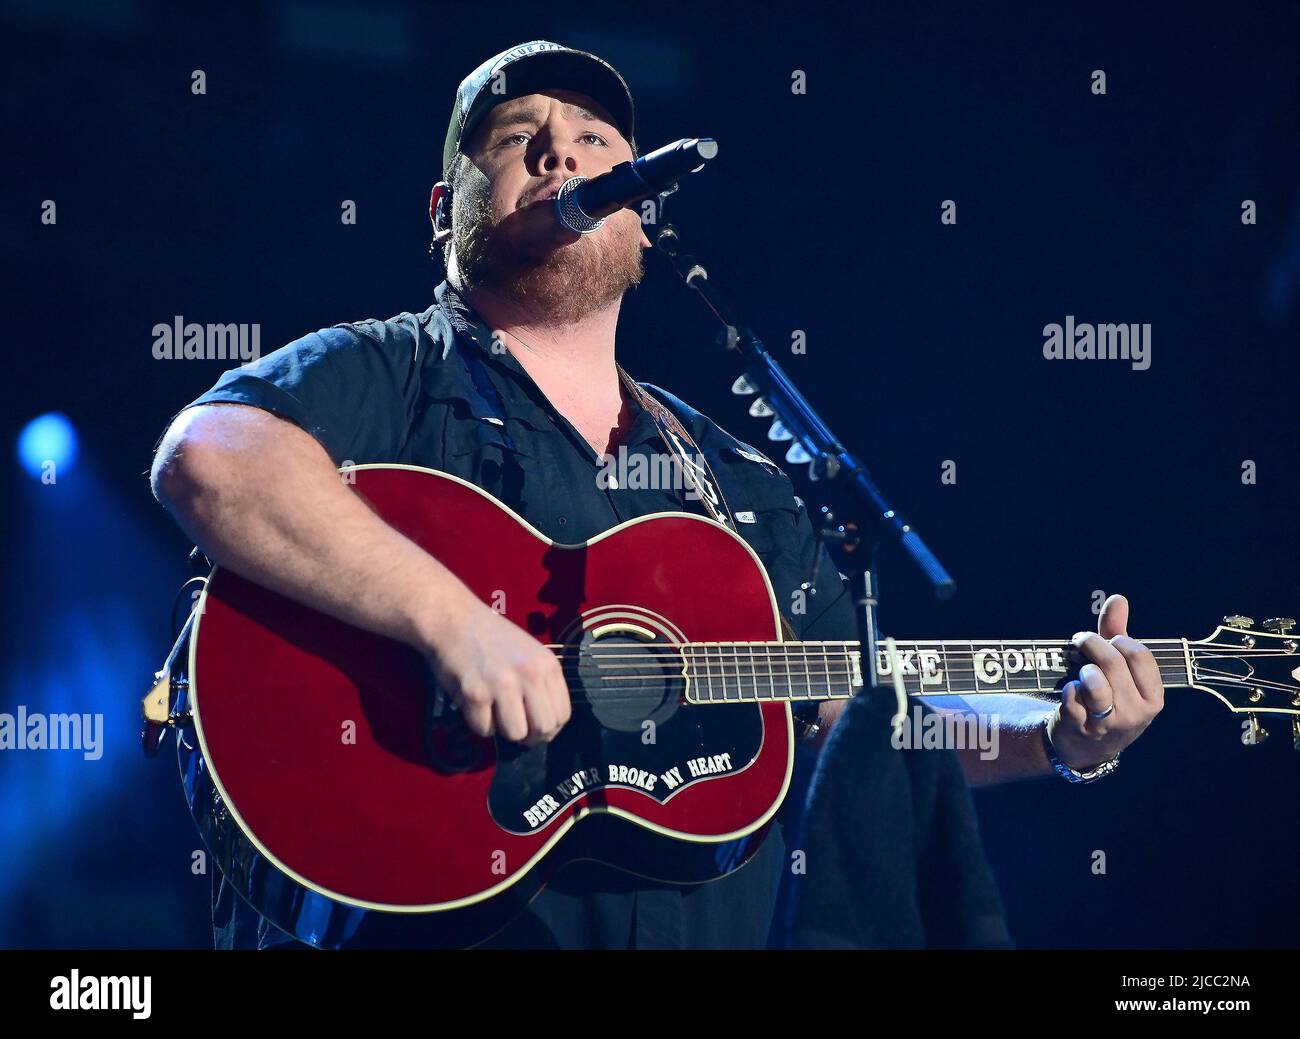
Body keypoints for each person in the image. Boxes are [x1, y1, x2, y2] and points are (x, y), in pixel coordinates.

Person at [149, 41, 1165, 950]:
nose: (561, 155)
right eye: (517, 138)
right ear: (440, 210)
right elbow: (212, 457)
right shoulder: (393, 370)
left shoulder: (735, 479)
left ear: (641, 221)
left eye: (594, 139)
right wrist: (455, 624)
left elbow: (840, 721)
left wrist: (1058, 739)